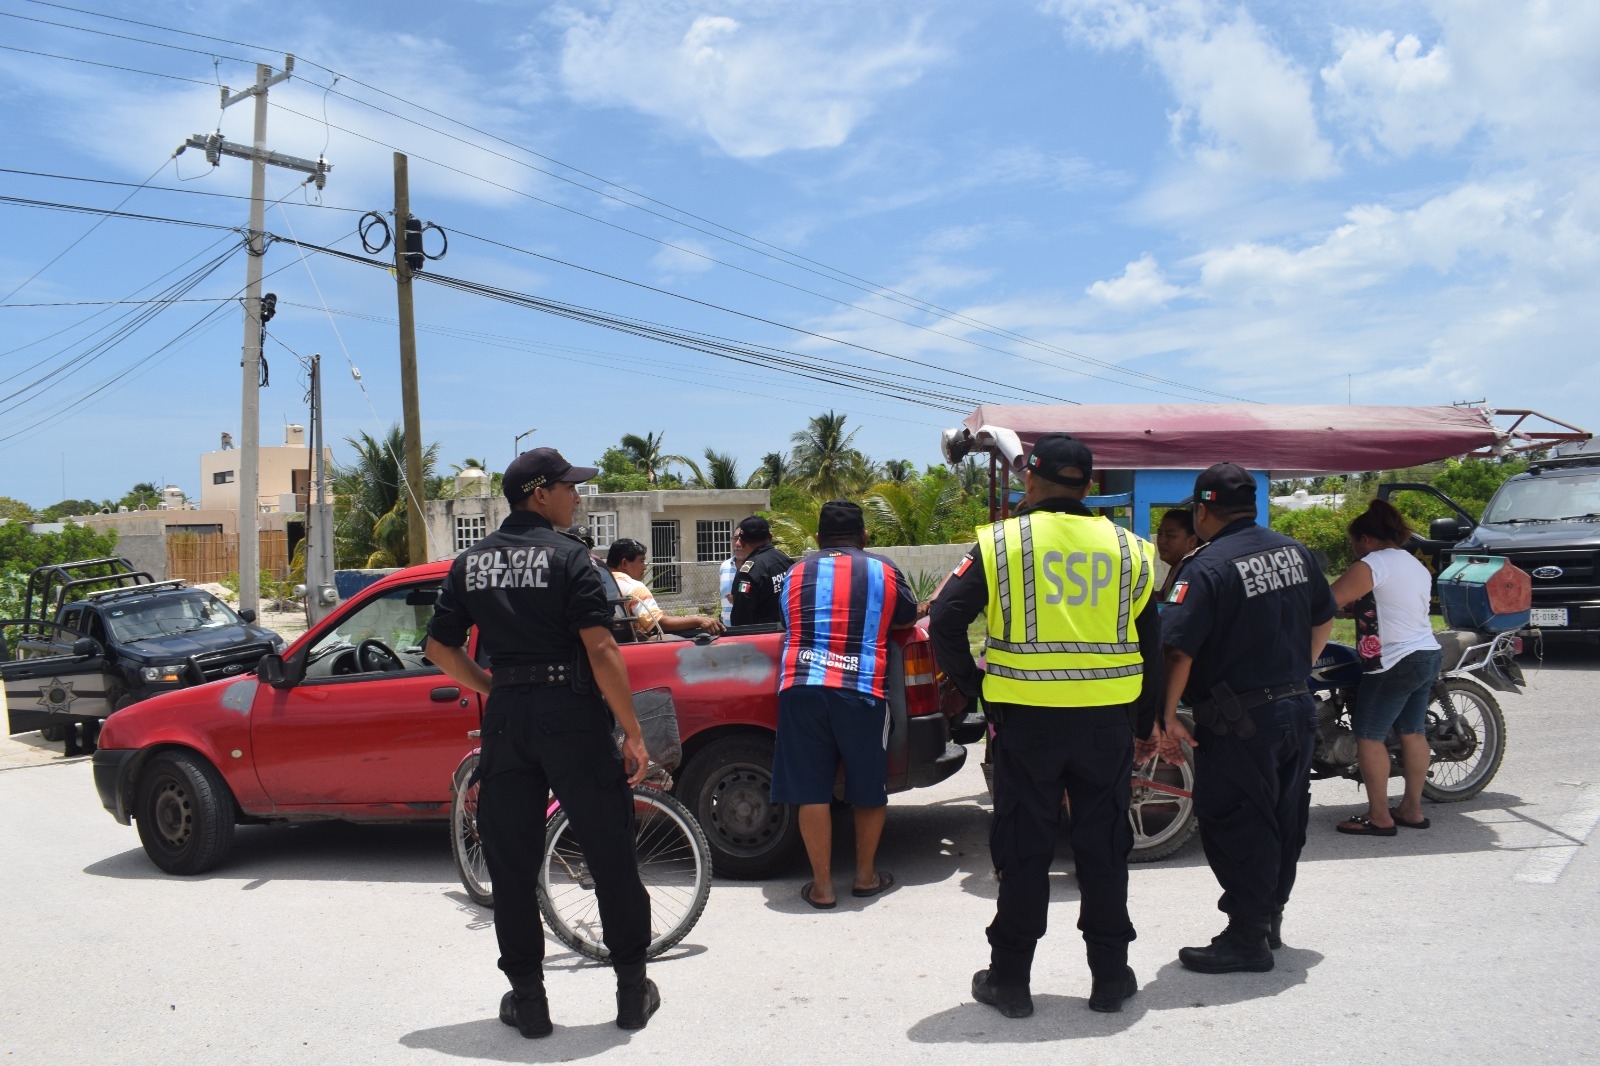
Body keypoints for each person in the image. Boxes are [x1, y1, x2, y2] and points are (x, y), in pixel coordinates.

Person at [423, 447, 660, 1038]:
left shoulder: (469, 564)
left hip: (509, 719)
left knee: (512, 864)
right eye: (568, 487)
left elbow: (438, 649)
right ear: (539, 493)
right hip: (572, 717)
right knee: (609, 854)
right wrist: (632, 732)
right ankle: (632, 993)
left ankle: (528, 1002)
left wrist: (492, 685)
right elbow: (603, 650)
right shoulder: (572, 559)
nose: (576, 496)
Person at [929, 434, 1164, 1019]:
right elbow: (1152, 642)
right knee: (1104, 844)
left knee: (1024, 845)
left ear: (1029, 480)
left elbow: (944, 619)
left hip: (1026, 724)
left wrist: (977, 685)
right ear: (1087, 486)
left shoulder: (1003, 542)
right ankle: (1109, 977)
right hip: (1107, 724)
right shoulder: (1130, 548)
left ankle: (1010, 980)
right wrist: (1144, 719)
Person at [1158, 463, 1336, 974]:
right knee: (1284, 817)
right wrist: (1298, 669)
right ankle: (1268, 917)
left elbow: (1177, 650)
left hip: (1241, 721)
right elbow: (1324, 618)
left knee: (1237, 821)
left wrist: (1167, 718)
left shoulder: (1205, 566)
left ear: (1202, 510)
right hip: (1297, 708)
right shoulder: (1294, 551)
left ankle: (1246, 938)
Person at [770, 500, 920, 909]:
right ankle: (866, 877)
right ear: (865, 536)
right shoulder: (883, 569)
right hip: (861, 689)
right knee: (868, 787)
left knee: (810, 790)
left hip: (801, 686)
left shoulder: (794, 572)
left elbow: (787, 621)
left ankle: (822, 887)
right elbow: (905, 618)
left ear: (817, 538)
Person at [1328, 500, 1442, 836]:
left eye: (1353, 544)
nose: (1354, 551)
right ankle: (1411, 808)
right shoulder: (1412, 564)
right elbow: (1392, 606)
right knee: (1413, 731)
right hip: (1426, 652)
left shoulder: (1373, 563)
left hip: (1396, 660)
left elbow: (1326, 601)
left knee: (1368, 736)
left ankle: (1379, 816)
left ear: (1365, 539)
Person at [605, 538, 725, 639]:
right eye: (641, 561)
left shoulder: (597, 583)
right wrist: (697, 620)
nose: (645, 567)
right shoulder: (633, 587)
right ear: (625, 563)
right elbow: (658, 623)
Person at [728, 516, 792, 627]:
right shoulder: (786, 561)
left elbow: (742, 621)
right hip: (789, 634)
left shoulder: (747, 573)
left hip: (763, 638)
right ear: (770, 537)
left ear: (742, 542)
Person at [1155, 507, 1201, 600]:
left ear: (1192, 541)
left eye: (1170, 536)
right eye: (1160, 534)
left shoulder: (1190, 572)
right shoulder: (1177, 567)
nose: (1161, 541)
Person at [719, 527, 752, 626]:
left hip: (749, 628)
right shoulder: (725, 566)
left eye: (742, 539)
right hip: (727, 628)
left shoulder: (757, 566)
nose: (738, 543)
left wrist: (740, 601)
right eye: (735, 538)